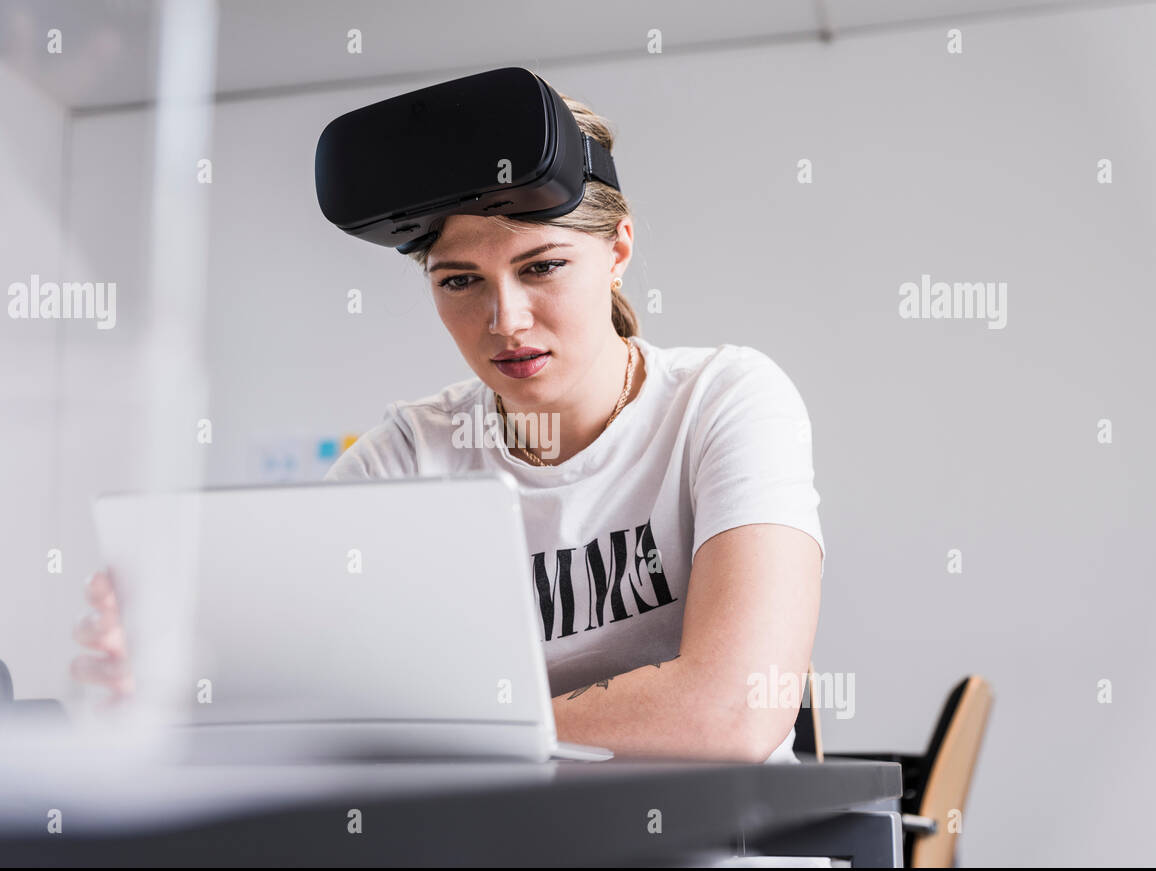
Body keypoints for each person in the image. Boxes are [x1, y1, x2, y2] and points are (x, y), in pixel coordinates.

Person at [74, 93, 824, 763]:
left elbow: (736, 709)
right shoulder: (409, 457)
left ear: (618, 251)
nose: (506, 320)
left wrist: (456, 738)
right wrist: (164, 671)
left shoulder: (724, 401)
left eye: (542, 267)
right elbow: (284, 689)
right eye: (460, 281)